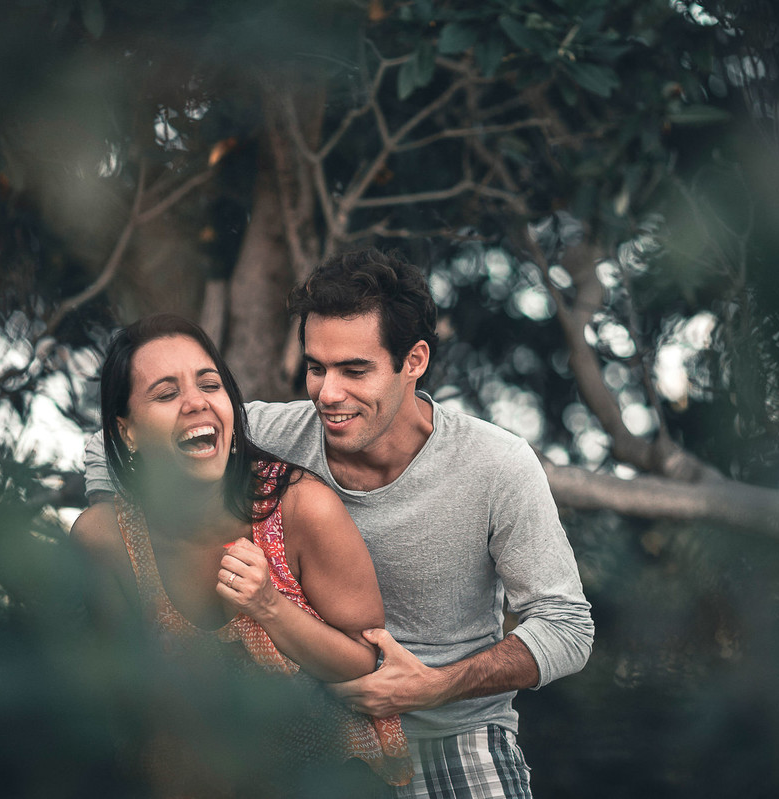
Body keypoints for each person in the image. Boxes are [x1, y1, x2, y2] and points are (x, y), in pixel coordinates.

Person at [84, 249, 593, 798]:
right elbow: (108, 446)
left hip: (455, 733)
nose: (327, 395)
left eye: (354, 370)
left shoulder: (496, 465)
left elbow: (567, 627)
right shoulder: (266, 434)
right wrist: (131, 547)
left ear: (414, 360)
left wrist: (432, 687)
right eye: (316, 368)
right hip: (318, 744)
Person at [71, 313, 411, 794]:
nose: (196, 402)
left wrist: (268, 606)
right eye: (166, 394)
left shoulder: (300, 508)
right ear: (127, 433)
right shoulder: (105, 539)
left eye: (209, 385)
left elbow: (364, 660)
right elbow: (120, 703)